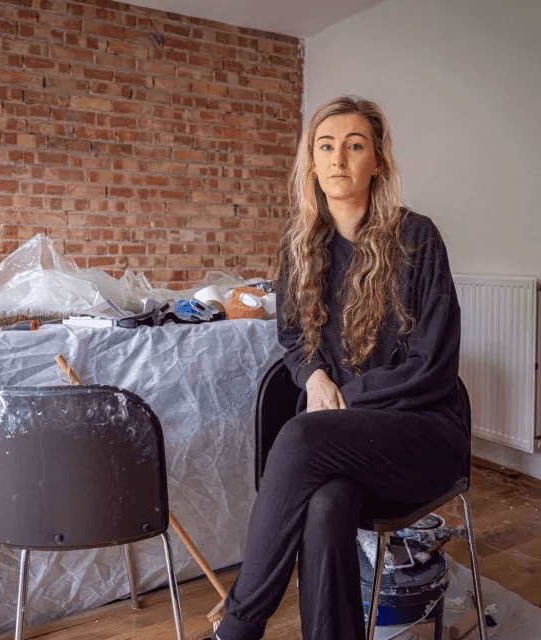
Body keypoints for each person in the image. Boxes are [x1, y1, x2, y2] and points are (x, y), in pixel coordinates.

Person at [217, 96, 470, 640]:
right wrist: (314, 376)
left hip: (423, 438)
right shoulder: (299, 245)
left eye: (355, 146)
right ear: (311, 161)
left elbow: (435, 365)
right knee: (326, 505)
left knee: (303, 436)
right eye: (326, 146)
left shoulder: (418, 238)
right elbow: (292, 335)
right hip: (344, 444)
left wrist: (344, 402)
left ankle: (237, 628)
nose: (339, 159)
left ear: (376, 162)